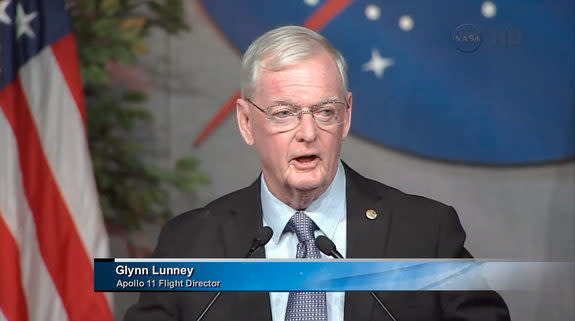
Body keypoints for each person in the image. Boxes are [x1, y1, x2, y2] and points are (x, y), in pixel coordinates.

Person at [124, 25, 510, 321]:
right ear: (245, 121)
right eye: (284, 113)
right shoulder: (190, 244)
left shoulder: (425, 231)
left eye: (325, 111)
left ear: (346, 116)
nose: (308, 133)